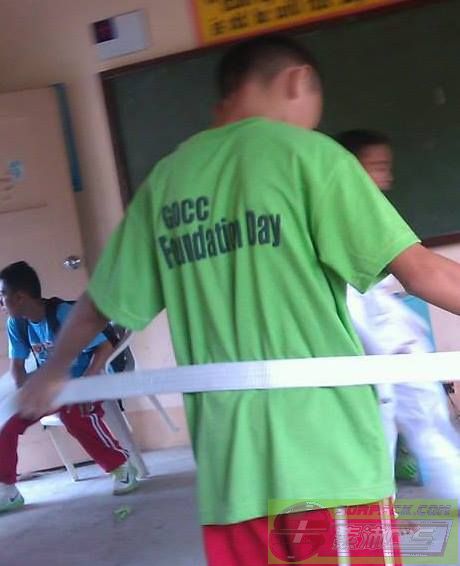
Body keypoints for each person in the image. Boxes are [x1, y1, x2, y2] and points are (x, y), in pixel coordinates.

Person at [14, 35, 460, 565]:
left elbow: (100, 302)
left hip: (231, 474)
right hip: (330, 461)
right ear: (297, 80)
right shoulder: (310, 157)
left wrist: (52, 372)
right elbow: (423, 272)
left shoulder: (167, 181)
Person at [338, 129, 460, 498]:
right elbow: (423, 275)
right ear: (350, 170)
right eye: (377, 167)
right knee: (380, 438)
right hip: (366, 349)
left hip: (390, 342)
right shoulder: (337, 216)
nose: (387, 178)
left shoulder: (371, 216)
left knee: (428, 428)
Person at [0, 261, 138, 513]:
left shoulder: (63, 313)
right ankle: (7, 490)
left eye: (2, 295)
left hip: (86, 378)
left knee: (74, 414)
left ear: (19, 297)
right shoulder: (16, 324)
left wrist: (87, 381)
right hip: (51, 388)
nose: (0, 302)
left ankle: (121, 467)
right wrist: (23, 396)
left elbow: (104, 345)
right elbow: (17, 367)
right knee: (5, 421)